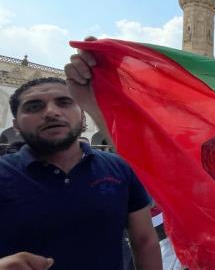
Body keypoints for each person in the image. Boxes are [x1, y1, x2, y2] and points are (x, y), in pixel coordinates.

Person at [0, 78, 162, 270]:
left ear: (83, 116)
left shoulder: (119, 168)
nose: (52, 112)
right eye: (34, 106)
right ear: (16, 124)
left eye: (64, 102)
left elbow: (144, 240)